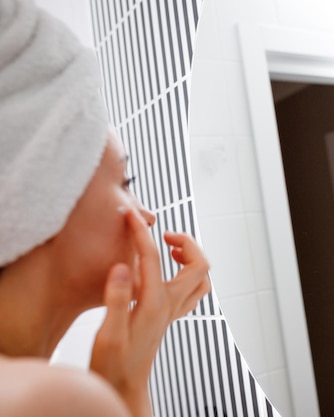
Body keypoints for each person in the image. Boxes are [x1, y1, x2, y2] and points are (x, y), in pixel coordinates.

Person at [0, 1, 211, 416]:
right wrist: (124, 387)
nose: (148, 216)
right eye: (125, 182)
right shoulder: (53, 401)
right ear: (41, 192)